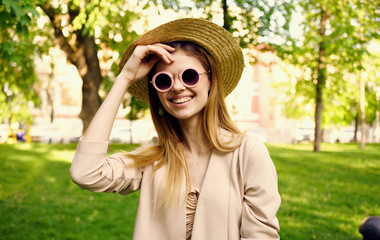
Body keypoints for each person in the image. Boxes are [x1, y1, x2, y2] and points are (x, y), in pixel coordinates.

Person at [70, 18, 281, 240]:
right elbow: (85, 172)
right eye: (164, 80)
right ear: (157, 92)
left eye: (189, 76)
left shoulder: (248, 154)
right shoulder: (152, 158)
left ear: (210, 81)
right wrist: (125, 78)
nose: (178, 87)